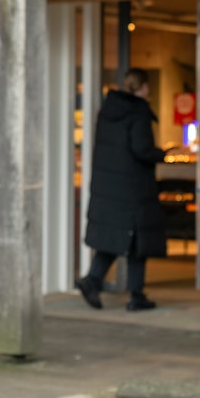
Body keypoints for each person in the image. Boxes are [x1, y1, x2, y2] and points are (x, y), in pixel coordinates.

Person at [76, 68, 170, 312]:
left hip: (110, 188)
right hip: (133, 188)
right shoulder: (137, 113)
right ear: (142, 87)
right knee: (138, 241)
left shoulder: (108, 112)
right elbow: (141, 149)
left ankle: (93, 280)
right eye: (147, 86)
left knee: (115, 239)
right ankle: (135, 295)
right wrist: (165, 154)